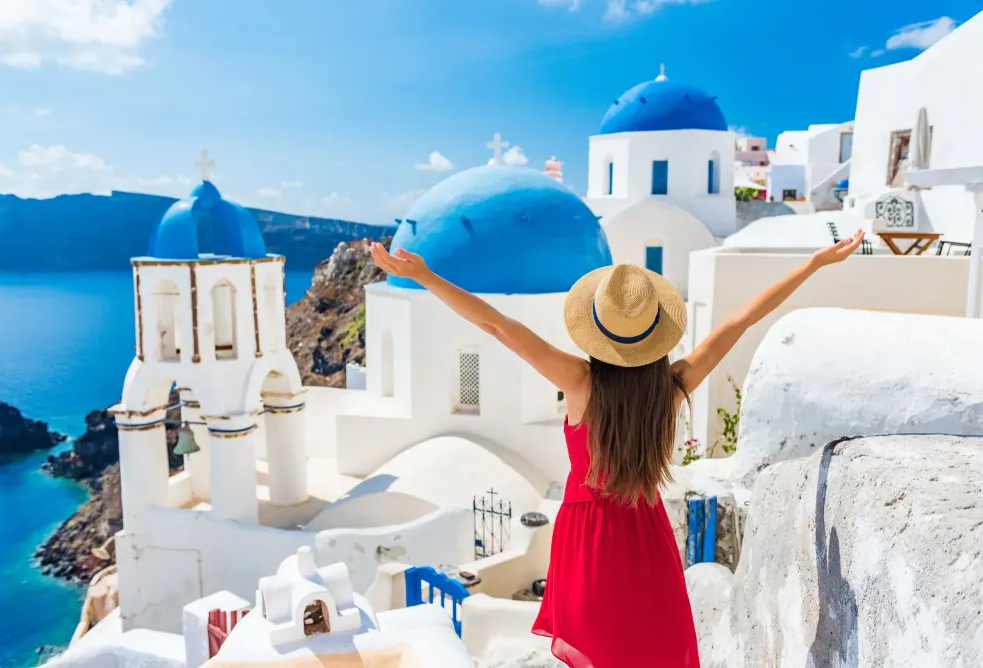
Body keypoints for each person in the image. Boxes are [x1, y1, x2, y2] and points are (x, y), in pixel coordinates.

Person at [369, 230, 866, 668]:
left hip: (588, 541)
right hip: (646, 535)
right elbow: (738, 322)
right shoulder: (671, 386)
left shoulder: (580, 381)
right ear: (656, 334)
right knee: (651, 652)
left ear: (598, 329)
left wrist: (427, 276)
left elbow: (497, 326)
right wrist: (812, 265)